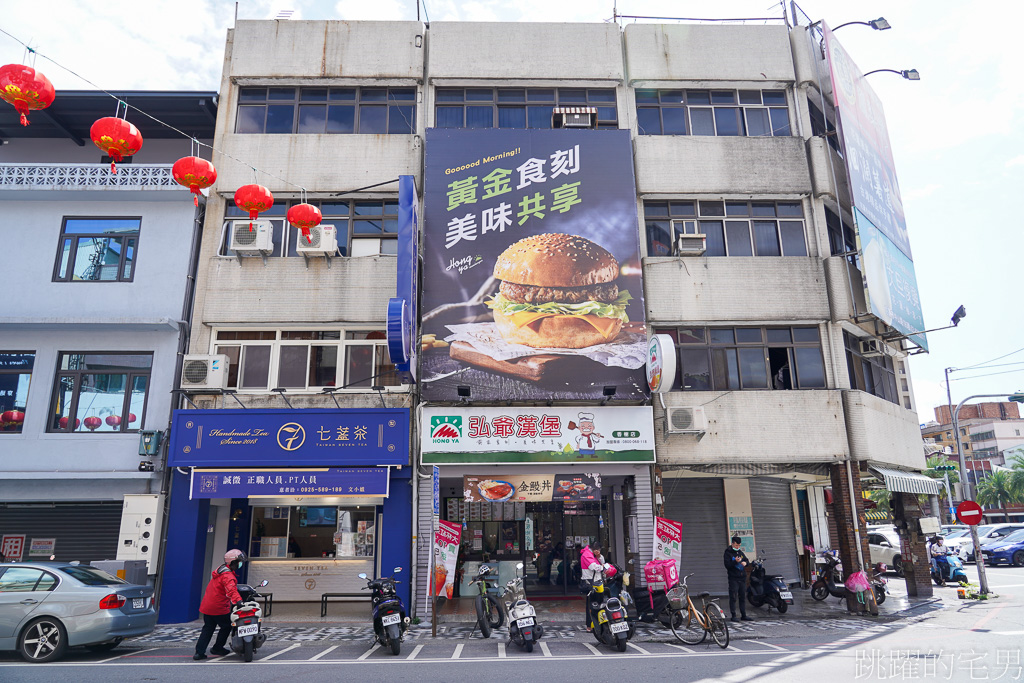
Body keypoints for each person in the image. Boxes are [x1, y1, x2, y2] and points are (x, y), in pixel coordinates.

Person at [194, 549, 245, 661]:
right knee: (227, 626)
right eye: (238, 562)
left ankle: (199, 652)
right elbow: (231, 590)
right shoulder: (228, 576)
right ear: (232, 563)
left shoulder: (220, 571)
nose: (240, 564)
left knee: (208, 628)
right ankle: (218, 647)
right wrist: (239, 602)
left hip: (207, 606)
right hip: (219, 607)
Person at [724, 536, 753, 623]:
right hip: (733, 578)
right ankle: (733, 615)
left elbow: (747, 560)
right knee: (733, 597)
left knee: (742, 597)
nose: (737, 547)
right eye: (736, 545)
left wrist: (745, 563)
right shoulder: (728, 553)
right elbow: (727, 565)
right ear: (732, 544)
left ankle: (743, 615)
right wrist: (734, 562)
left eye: (739, 545)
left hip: (742, 578)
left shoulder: (740, 552)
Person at [580, 542, 605, 630]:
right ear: (595, 549)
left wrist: (599, 557)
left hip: (596, 581)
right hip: (590, 582)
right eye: (598, 550)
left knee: (598, 602)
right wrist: (604, 567)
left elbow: (602, 562)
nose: (599, 552)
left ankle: (598, 622)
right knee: (591, 604)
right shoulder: (587, 554)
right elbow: (593, 567)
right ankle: (590, 625)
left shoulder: (592, 554)